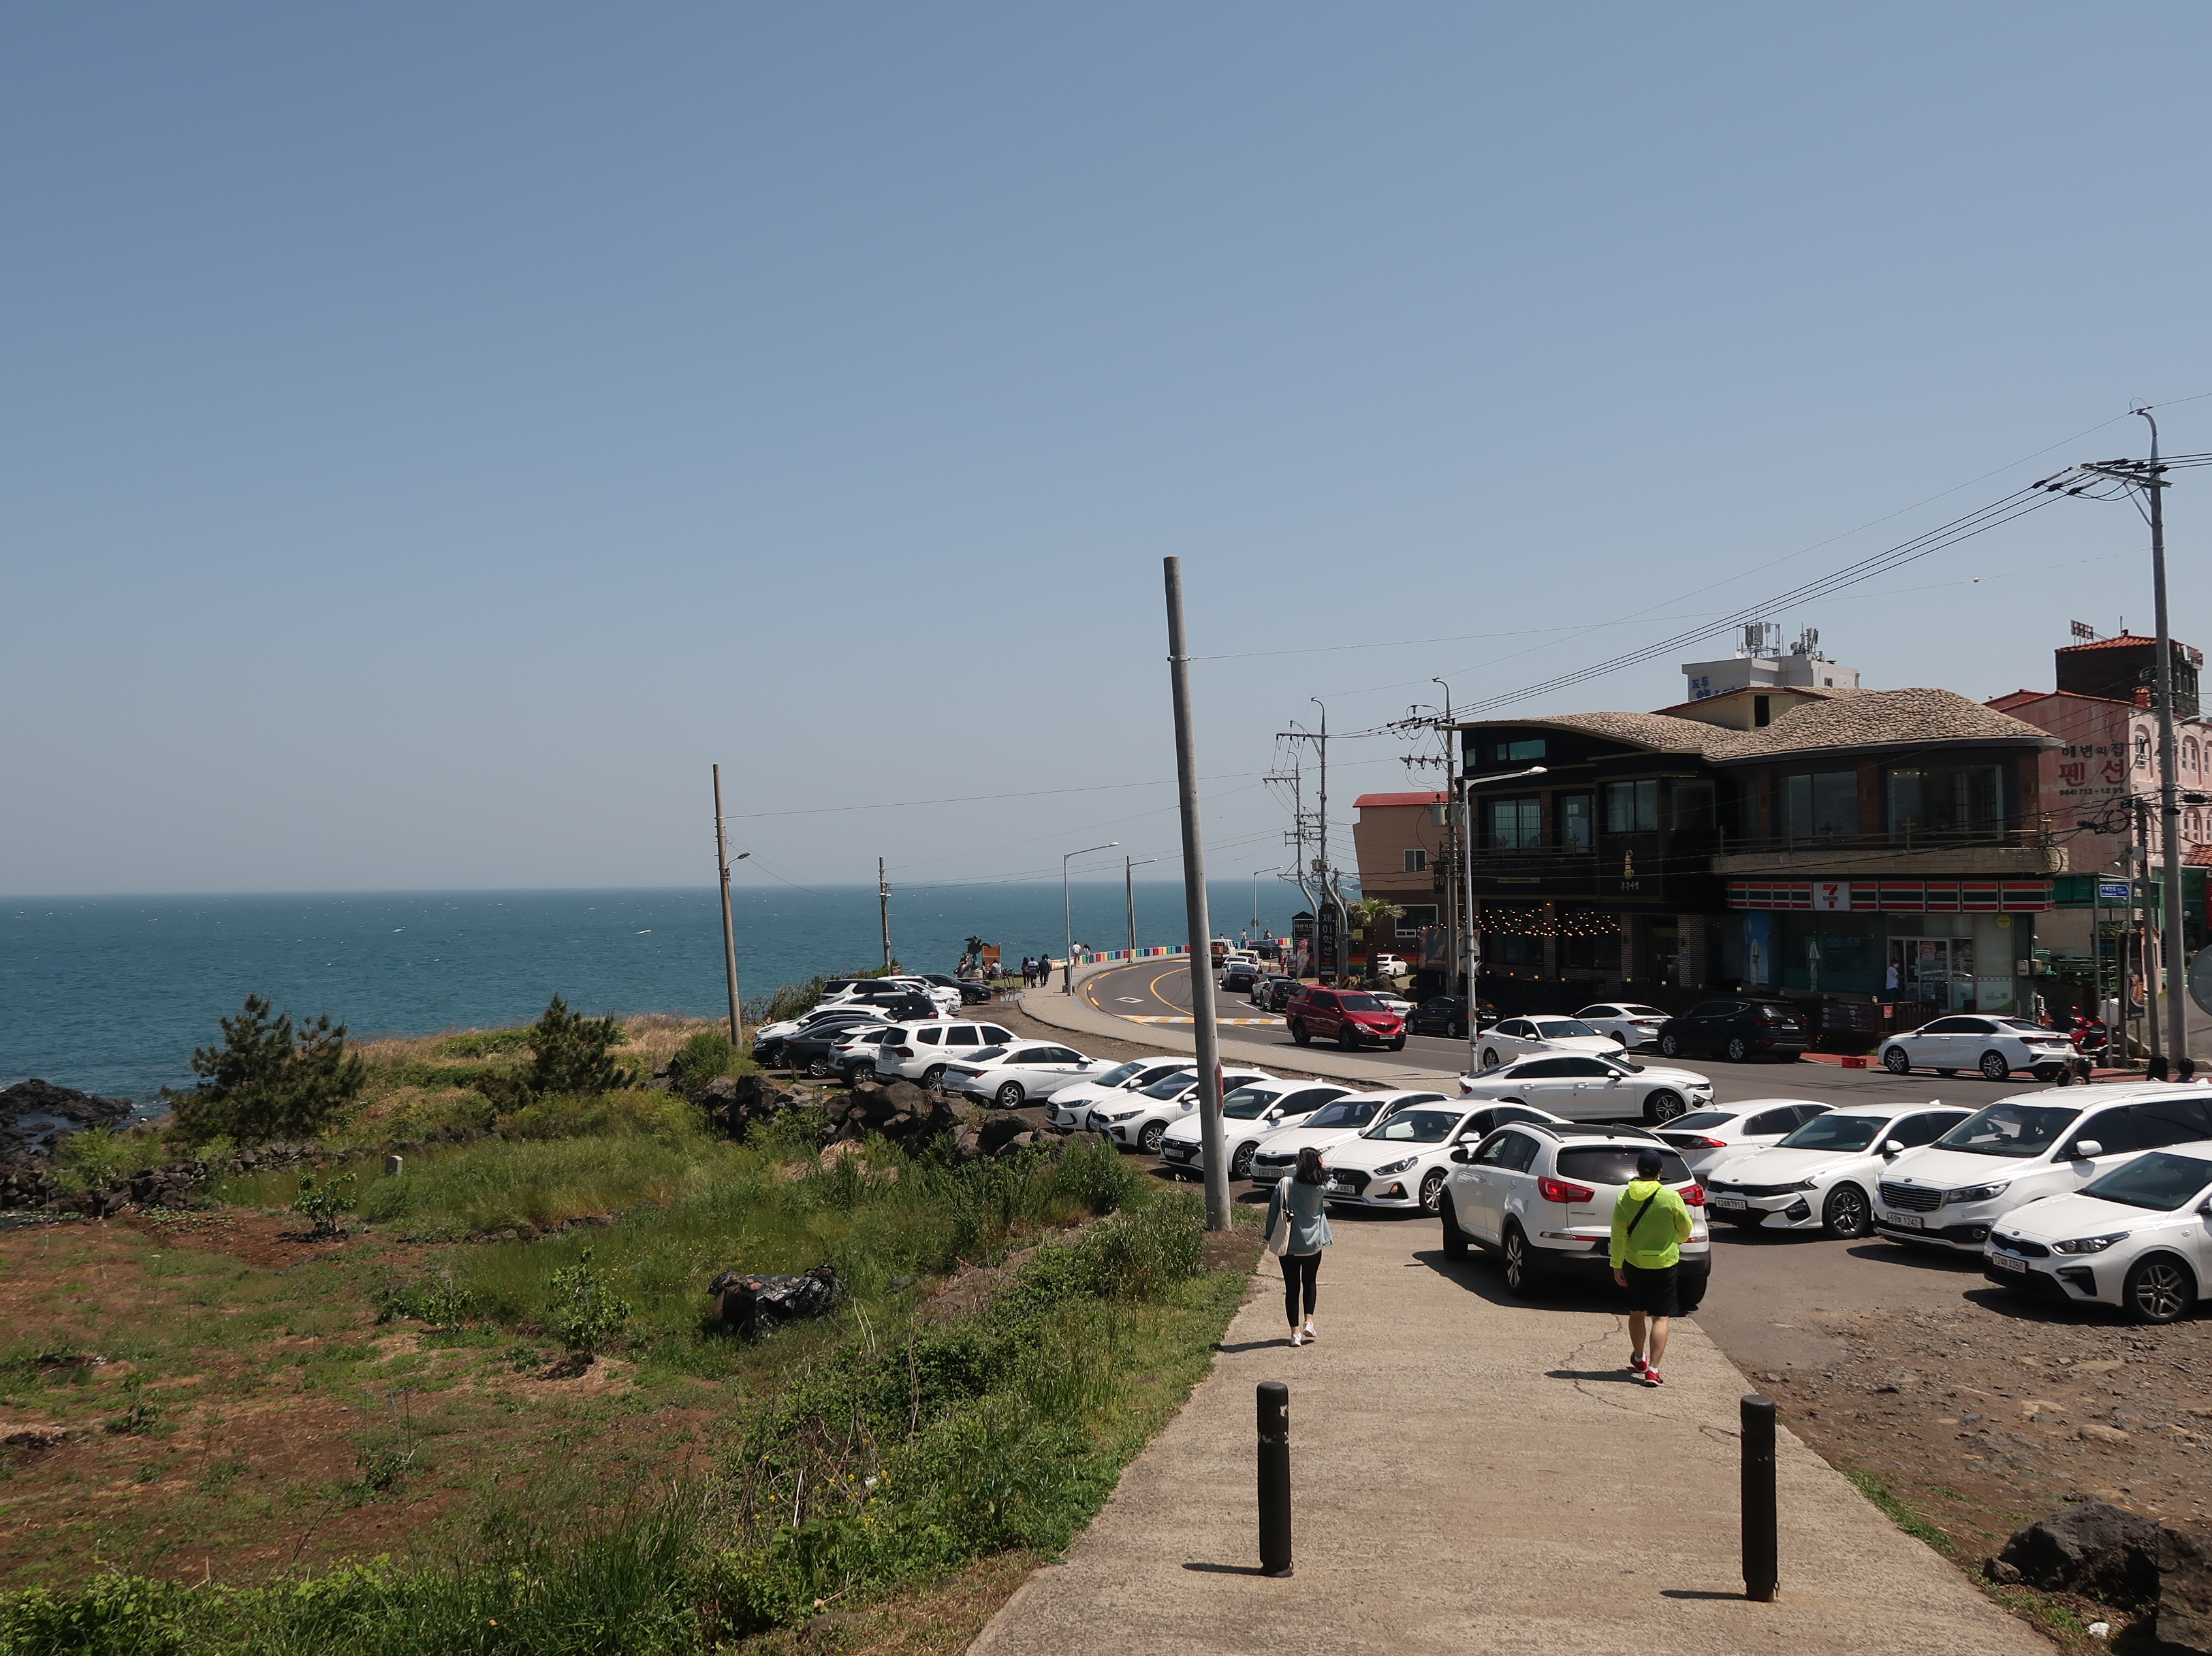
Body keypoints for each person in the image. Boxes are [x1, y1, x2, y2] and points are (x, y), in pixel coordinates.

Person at [1610, 1147, 1694, 1388]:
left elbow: (1618, 1234)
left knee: (1637, 1313)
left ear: (1637, 1170)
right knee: (1661, 1316)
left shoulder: (1624, 1197)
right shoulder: (1670, 1197)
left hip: (1634, 1262)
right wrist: (1676, 1240)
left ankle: (1639, 1358)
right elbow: (1685, 1228)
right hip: (1664, 1263)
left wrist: (1616, 1264)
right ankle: (1654, 1370)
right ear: (1660, 1172)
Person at [1266, 1145, 1334, 1346]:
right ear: (1317, 1163)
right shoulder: (1320, 1188)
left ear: (1299, 1163)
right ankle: (1309, 1322)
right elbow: (1334, 1182)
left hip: (1289, 1245)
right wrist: (1322, 1167)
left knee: (1292, 1288)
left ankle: (1295, 1333)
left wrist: (1270, 1235)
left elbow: (1273, 1211)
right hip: (1313, 1245)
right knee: (1310, 1282)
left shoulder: (1285, 1184)